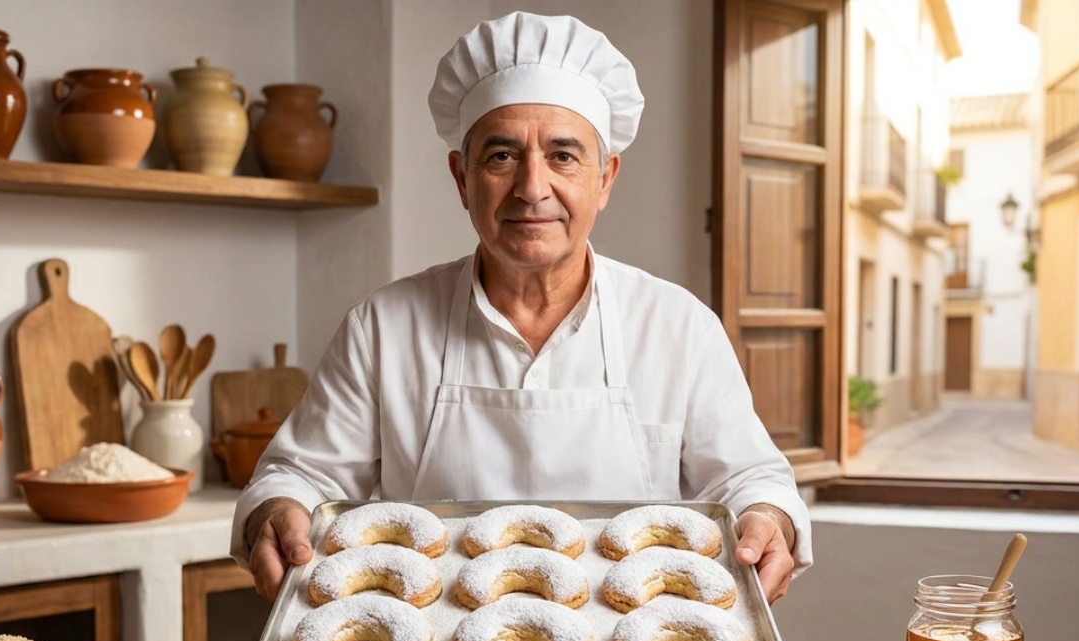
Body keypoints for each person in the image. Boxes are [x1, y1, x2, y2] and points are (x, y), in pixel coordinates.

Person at [233, 11, 812, 602]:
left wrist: (769, 519)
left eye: (563, 156)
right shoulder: (383, 327)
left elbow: (749, 478)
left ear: (605, 177)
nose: (532, 188)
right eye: (502, 156)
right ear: (462, 178)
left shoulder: (679, 327)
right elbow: (300, 476)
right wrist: (278, 512)